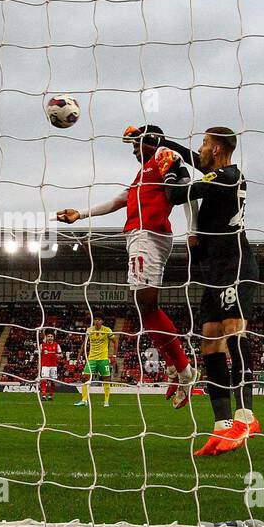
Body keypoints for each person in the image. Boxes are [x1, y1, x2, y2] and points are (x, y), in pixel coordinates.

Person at [56, 124, 199, 408]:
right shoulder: (142, 174)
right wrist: (80, 214)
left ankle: (184, 370)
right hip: (139, 236)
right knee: (144, 307)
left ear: (152, 141)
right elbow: (117, 201)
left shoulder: (163, 155)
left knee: (147, 303)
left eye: (136, 145)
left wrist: (193, 229)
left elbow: (187, 190)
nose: (134, 151)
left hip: (148, 235)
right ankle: (175, 366)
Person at [160, 126, 262, 454]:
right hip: (214, 270)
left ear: (217, 148)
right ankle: (222, 426)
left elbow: (176, 195)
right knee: (210, 343)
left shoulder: (228, 176)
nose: (200, 149)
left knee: (234, 334)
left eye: (204, 143)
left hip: (236, 265)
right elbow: (193, 162)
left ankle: (247, 417)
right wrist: (164, 143)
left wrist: (173, 171)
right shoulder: (220, 174)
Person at [75, 315, 115, 408]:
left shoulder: (107, 330)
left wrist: (114, 355)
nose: (97, 321)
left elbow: (115, 341)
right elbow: (84, 343)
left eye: (99, 320)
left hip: (103, 359)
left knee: (106, 379)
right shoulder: (89, 330)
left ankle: (106, 401)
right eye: (96, 319)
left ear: (102, 321)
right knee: (86, 377)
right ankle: (84, 400)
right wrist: (79, 356)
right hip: (92, 358)